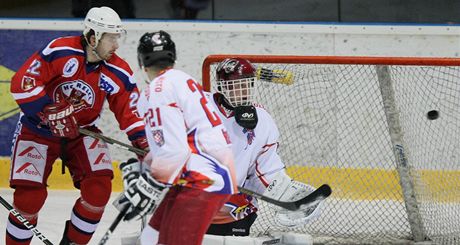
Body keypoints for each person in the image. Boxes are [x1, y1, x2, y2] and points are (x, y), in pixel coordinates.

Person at [7, 6, 148, 245]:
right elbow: (22, 83)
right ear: (93, 37)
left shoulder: (117, 71)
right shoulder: (59, 51)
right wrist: (46, 110)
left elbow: (130, 111)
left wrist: (143, 142)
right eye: (111, 38)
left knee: (99, 189)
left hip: (81, 132)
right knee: (28, 199)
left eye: (118, 37)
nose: (116, 44)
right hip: (37, 130)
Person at [118, 30, 237, 245]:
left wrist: (148, 185)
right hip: (200, 177)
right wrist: (144, 168)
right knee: (151, 237)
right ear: (172, 56)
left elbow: (175, 151)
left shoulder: (157, 91)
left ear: (142, 62)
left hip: (202, 181)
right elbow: (175, 145)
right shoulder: (182, 79)